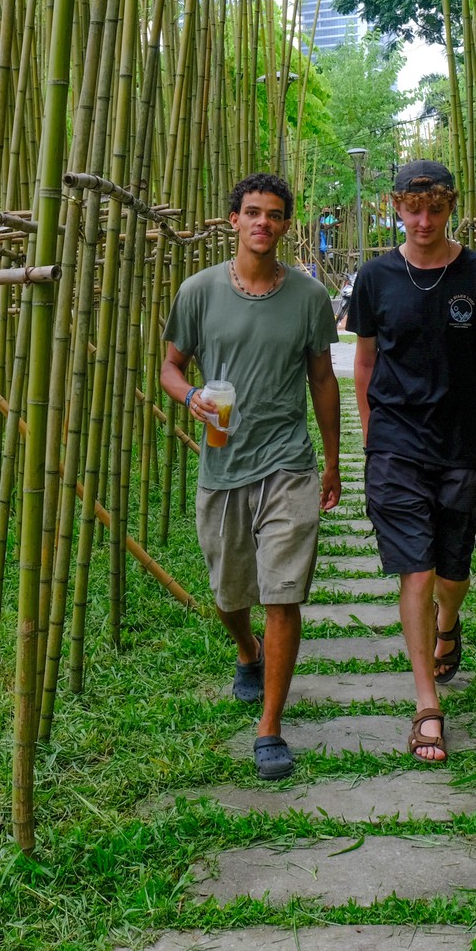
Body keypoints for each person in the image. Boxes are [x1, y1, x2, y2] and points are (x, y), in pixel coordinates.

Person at [346, 159, 476, 763]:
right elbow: (363, 364)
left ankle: (448, 622)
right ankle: (426, 704)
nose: (423, 220)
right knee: (416, 569)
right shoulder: (375, 277)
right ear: (396, 207)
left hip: (460, 442)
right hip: (395, 446)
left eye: (435, 209)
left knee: (451, 573)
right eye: (413, 208)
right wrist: (372, 437)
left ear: (450, 207)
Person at [161, 173, 341, 780]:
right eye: (253, 212)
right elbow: (170, 366)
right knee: (229, 595)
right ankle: (246, 650)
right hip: (222, 465)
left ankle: (270, 728)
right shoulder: (199, 291)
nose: (264, 222)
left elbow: (322, 380)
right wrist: (190, 399)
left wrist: (334, 460)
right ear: (233, 220)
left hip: (288, 461)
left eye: (275, 214)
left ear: (288, 225)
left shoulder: (311, 299)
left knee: (282, 594)